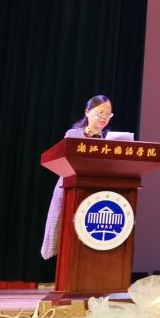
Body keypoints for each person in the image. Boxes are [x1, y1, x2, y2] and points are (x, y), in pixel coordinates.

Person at [40, 95, 114, 260]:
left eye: (108, 114)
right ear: (87, 112)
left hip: (95, 195)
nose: (104, 117)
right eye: (100, 112)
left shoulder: (110, 140)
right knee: (66, 237)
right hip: (70, 190)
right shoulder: (73, 134)